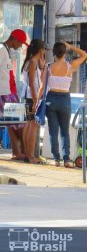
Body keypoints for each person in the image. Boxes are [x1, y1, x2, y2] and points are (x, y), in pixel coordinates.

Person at [41, 42, 87, 168]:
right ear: (64, 52)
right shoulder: (70, 66)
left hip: (51, 98)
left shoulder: (48, 67)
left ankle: (56, 159)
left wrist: (36, 102)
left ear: (53, 53)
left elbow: (42, 87)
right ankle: (66, 159)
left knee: (53, 131)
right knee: (65, 131)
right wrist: (71, 47)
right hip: (65, 99)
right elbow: (84, 55)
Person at [0, 29, 29, 161]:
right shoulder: (1, 49)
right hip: (4, 93)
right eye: (20, 43)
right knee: (16, 123)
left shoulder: (7, 50)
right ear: (14, 39)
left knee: (14, 123)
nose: (20, 46)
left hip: (9, 91)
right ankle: (22, 152)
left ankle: (18, 152)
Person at [20, 39, 46, 164]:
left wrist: (43, 66)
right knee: (33, 125)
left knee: (28, 124)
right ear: (40, 50)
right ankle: (30, 156)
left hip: (29, 96)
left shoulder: (31, 61)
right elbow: (32, 82)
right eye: (44, 49)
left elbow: (37, 80)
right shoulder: (33, 62)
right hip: (32, 97)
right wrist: (36, 100)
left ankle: (27, 154)